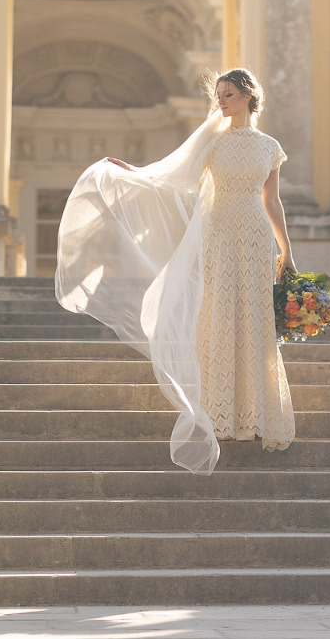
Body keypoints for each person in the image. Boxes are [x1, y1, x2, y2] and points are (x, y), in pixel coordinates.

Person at [54, 68, 296, 474]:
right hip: (217, 232)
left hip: (255, 234)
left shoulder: (270, 147)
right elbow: (173, 179)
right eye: (218, 94)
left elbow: (272, 202)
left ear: (249, 96)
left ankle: (257, 414)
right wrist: (131, 173)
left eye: (229, 94)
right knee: (217, 314)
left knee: (254, 318)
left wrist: (286, 249)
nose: (220, 101)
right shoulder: (212, 141)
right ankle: (218, 413)